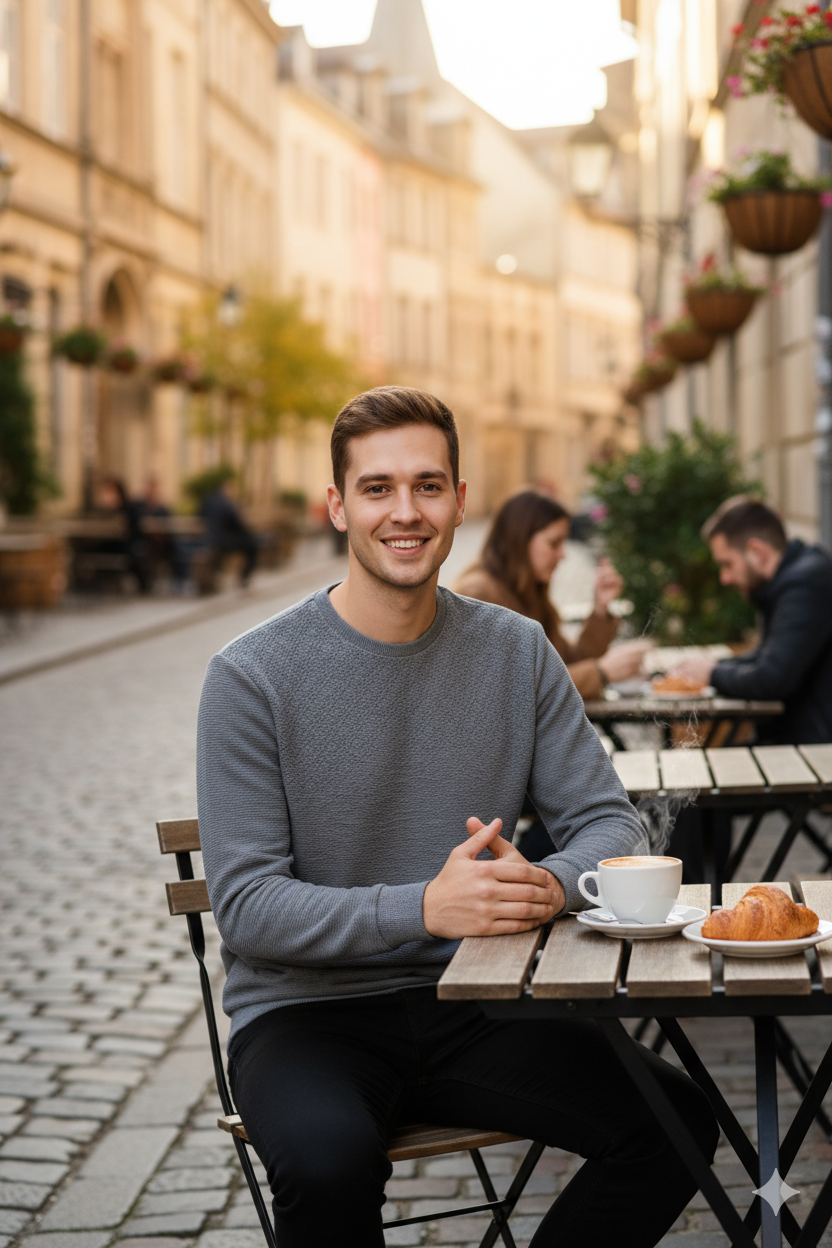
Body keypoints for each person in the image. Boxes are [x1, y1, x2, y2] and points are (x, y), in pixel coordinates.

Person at [196, 386, 717, 1248]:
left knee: (678, 1129)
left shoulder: (516, 650)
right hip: (303, 1018)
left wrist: (548, 889)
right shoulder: (252, 677)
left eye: (429, 486)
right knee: (328, 1167)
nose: (406, 512)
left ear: (462, 501)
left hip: (479, 1002)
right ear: (337, 506)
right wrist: (423, 909)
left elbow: (609, 822)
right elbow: (248, 908)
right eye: (377, 488)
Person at [454, 490, 650, 701]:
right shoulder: (477, 595)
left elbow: (566, 661)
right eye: (554, 543)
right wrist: (601, 672)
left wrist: (601, 608)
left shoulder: (528, 591)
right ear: (519, 540)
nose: (563, 554)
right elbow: (514, 691)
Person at [672, 495, 832, 743]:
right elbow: (769, 657)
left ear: (757, 551)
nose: (724, 578)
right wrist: (712, 666)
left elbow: (772, 679)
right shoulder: (793, 578)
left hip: (812, 754)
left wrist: (713, 673)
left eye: (727, 564)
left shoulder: (805, 585)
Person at [199, 475, 258, 587]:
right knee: (252, 544)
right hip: (223, 541)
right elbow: (238, 524)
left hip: (208, 539)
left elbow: (199, 515)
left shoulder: (208, 501)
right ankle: (244, 577)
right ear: (225, 488)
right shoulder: (226, 504)